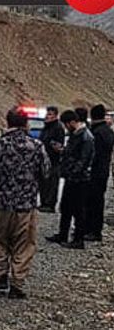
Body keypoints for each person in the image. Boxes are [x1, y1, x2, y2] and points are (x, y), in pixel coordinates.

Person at [0, 108, 50, 300]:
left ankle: (1, 277)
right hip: (25, 205)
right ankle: (17, 283)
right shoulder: (36, 145)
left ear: (8, 122)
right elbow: (46, 171)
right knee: (24, 245)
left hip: (1, 204)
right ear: (26, 124)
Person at [46, 110, 95, 249]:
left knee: (78, 210)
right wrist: (63, 151)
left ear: (72, 122)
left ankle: (78, 239)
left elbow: (84, 160)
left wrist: (73, 171)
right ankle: (63, 234)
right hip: (72, 177)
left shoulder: (86, 137)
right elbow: (73, 154)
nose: (66, 128)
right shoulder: (77, 134)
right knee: (66, 207)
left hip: (79, 179)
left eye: (66, 125)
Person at [85, 104, 114, 241]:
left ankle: (92, 231)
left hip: (94, 172)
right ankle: (95, 230)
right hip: (103, 171)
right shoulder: (108, 131)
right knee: (98, 201)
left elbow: (93, 154)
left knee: (92, 202)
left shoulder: (96, 132)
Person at [38, 106, 65, 213]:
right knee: (43, 183)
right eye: (47, 114)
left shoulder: (58, 128)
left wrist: (53, 146)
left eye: (50, 114)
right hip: (44, 160)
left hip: (53, 160)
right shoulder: (46, 127)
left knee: (51, 183)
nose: (47, 116)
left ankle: (50, 204)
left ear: (55, 116)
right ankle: (44, 202)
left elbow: (58, 145)